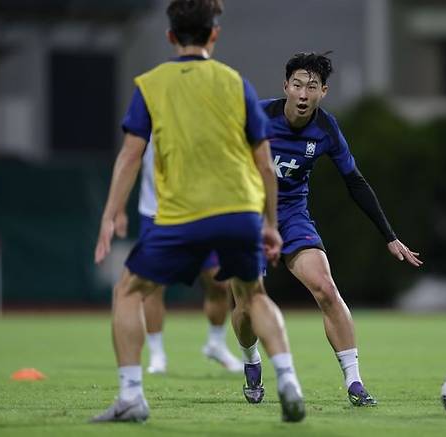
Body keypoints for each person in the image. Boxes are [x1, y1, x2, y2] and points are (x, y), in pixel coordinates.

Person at [91, 0, 305, 423]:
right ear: (214, 34)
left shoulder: (150, 84)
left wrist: (112, 212)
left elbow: (130, 156)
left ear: (170, 36)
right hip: (239, 210)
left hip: (180, 215)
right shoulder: (236, 83)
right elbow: (265, 163)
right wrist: (271, 224)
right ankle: (288, 381)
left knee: (128, 291)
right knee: (253, 295)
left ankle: (132, 396)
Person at [239, 52, 423, 406]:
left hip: (292, 215)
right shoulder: (256, 116)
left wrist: (390, 236)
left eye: (312, 87)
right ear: (285, 87)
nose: (303, 94)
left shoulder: (326, 129)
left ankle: (354, 381)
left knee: (325, 287)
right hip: (247, 214)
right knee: (247, 304)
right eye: (297, 85)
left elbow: (355, 182)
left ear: (323, 91)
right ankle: (251, 360)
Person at [137, 143, 243, 375]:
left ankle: (215, 343)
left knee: (219, 281)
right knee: (154, 285)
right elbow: (130, 157)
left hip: (200, 213)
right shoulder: (149, 116)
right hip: (157, 214)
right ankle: (157, 354)